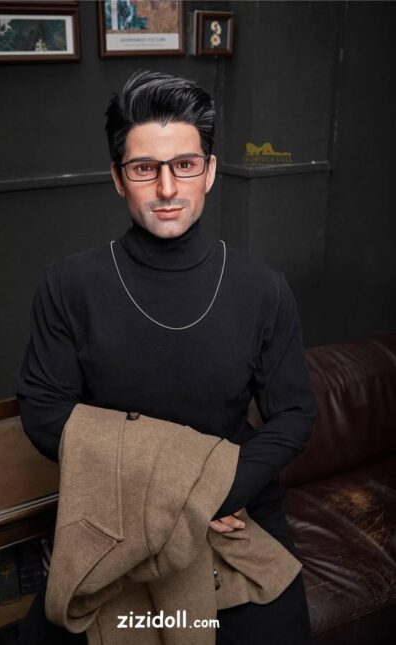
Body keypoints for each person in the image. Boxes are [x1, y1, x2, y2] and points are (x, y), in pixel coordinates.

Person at [16, 69, 316, 644]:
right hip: (114, 508)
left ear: (209, 171)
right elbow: (45, 413)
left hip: (235, 504)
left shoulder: (263, 287)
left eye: (184, 165)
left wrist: (216, 494)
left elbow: (294, 414)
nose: (167, 188)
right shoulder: (67, 285)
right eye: (144, 169)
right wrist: (180, 494)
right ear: (117, 178)